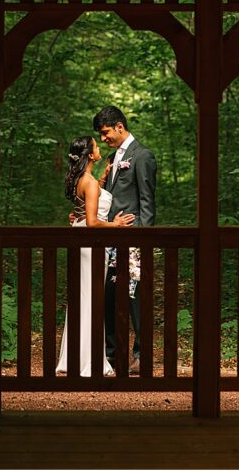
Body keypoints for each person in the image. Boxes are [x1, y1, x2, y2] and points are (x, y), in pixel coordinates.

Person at [56, 136, 134, 377]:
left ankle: (74, 357)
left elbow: (84, 208)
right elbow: (92, 221)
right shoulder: (88, 182)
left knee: (81, 297)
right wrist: (116, 224)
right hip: (90, 244)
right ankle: (90, 361)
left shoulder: (82, 180)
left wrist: (102, 178)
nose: (100, 148)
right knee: (91, 298)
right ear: (90, 154)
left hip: (78, 239)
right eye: (96, 146)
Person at [93, 105, 156, 375]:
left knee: (135, 298)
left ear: (120, 126)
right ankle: (112, 356)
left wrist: (142, 239)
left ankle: (141, 355)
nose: (103, 138)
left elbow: (147, 201)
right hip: (109, 237)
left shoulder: (143, 156)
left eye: (106, 132)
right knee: (109, 296)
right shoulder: (111, 157)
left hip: (132, 240)